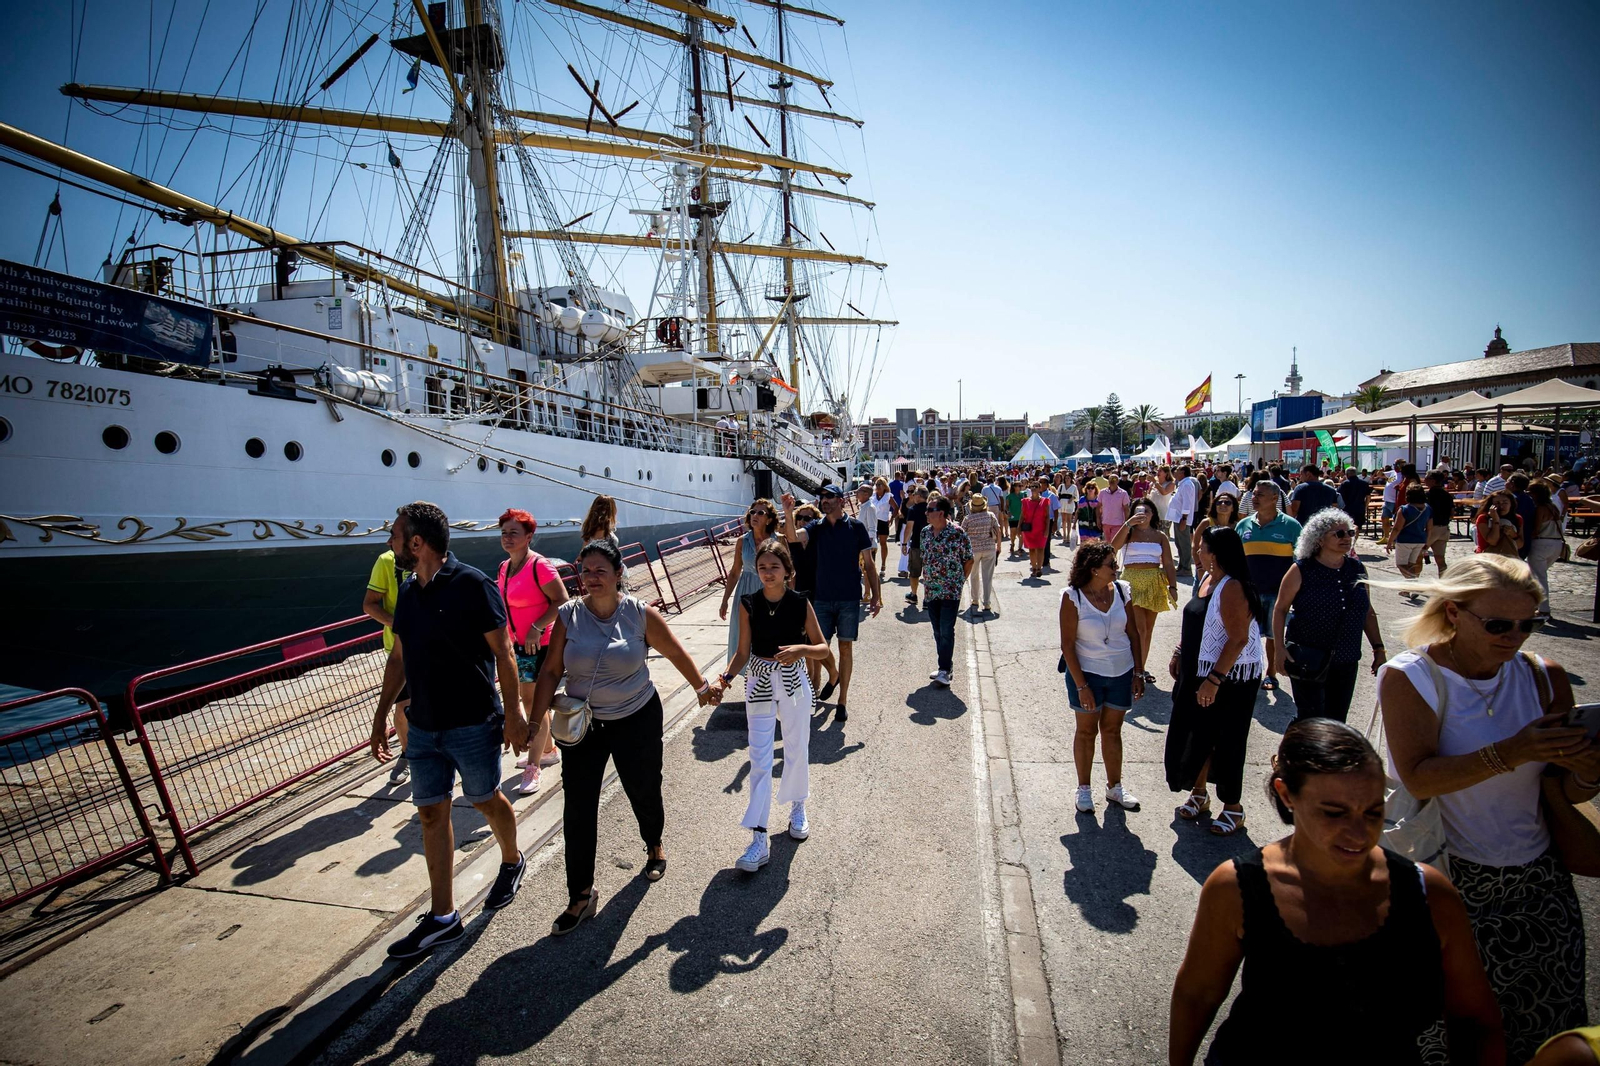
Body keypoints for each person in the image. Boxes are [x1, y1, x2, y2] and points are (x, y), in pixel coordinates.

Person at [1169, 719, 1506, 1066]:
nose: (1359, 833)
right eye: (1334, 812)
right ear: (1287, 795)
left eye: (1374, 812)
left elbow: (1475, 1021)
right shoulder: (1236, 887)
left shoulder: (1429, 893)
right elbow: (1198, 994)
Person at [1377, 554, 1600, 1061]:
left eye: (1528, 624)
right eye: (1498, 624)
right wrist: (1514, 751)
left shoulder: (1545, 677)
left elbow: (1563, 790)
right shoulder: (1411, 677)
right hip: (1449, 880)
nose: (1515, 636)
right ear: (1454, 612)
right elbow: (1418, 775)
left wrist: (1587, 769)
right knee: (1449, 1036)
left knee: (1545, 1030)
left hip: (1539, 883)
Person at [532, 539, 719, 935]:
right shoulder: (568, 616)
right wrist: (533, 723)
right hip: (583, 727)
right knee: (578, 808)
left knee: (644, 788)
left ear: (619, 575)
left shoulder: (639, 613)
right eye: (585, 571)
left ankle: (653, 843)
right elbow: (549, 671)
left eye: (601, 570)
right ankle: (580, 895)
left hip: (636, 717)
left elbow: (675, 651)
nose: (591, 578)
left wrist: (702, 688)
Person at [369, 502, 530, 958]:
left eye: (395, 535)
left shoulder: (473, 585)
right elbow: (398, 658)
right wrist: (382, 715)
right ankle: (444, 918)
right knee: (430, 813)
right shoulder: (408, 591)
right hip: (422, 727)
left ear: (416, 543)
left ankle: (512, 860)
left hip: (472, 721)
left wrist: (515, 715)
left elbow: (505, 653)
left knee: (483, 800)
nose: (389, 542)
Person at [713, 539, 830, 872]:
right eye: (762, 567)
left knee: (796, 748)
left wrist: (800, 651)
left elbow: (822, 648)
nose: (767, 573)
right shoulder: (748, 603)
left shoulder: (800, 603)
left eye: (773, 567)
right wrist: (724, 680)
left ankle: (798, 806)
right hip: (760, 678)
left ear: (787, 570)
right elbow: (741, 652)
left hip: (794, 679)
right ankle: (759, 837)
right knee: (759, 756)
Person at [1165, 527, 1266, 837]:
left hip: (1229, 679)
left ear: (1218, 553)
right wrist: (1180, 652)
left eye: (1203, 548)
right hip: (1198, 672)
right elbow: (1197, 620)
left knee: (1229, 741)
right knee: (1197, 736)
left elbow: (1237, 640)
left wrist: (1214, 679)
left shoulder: (1233, 586)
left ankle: (1233, 808)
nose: (1198, 552)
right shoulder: (1209, 580)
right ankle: (1199, 792)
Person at [1271, 509, 1385, 722]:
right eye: (1339, 534)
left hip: (1347, 657)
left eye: (1350, 533)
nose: (1347, 538)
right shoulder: (1301, 569)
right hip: (1308, 656)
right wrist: (1279, 649)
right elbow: (1280, 609)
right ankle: (1296, 754)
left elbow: (1367, 611)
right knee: (1310, 718)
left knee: (1336, 720)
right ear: (1320, 539)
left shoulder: (1357, 568)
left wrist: (1378, 648)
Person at [1060, 543, 1146, 814]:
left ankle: (1115, 786)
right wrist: (1082, 686)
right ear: (1094, 569)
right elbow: (1067, 646)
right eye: (1111, 564)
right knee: (1086, 731)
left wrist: (1138, 672)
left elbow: (1134, 634)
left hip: (1121, 673)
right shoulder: (1072, 596)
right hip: (1087, 676)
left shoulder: (1122, 590)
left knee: (1113, 730)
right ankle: (1084, 789)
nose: (1116, 568)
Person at [782, 485, 880, 722]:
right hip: (822, 598)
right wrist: (787, 512)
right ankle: (831, 676)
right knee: (818, 648)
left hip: (848, 598)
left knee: (845, 648)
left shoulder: (856, 527)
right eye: (822, 497)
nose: (824, 500)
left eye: (829, 497)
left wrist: (876, 595)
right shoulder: (816, 527)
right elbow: (793, 537)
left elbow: (868, 563)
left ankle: (842, 701)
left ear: (841, 501)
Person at [497, 508, 569, 794]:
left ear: (529, 536)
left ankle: (534, 767)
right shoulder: (505, 567)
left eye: (514, 533)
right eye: (504, 532)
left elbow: (561, 601)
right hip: (518, 645)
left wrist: (537, 627)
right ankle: (548, 749)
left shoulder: (539, 566)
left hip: (539, 645)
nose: (507, 538)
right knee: (531, 700)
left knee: (533, 702)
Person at [1235, 482, 1301, 695]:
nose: (1254, 498)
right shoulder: (1243, 525)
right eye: (1253, 494)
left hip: (1278, 593)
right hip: (1248, 592)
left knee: (1273, 637)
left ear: (1274, 498)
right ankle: (1247, 672)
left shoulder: (1291, 526)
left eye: (1260, 495)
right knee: (1245, 636)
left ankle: (1270, 673)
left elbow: (1302, 561)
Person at [1108, 498, 1178, 679]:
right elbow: (1112, 548)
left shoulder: (1160, 536)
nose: (1143, 514)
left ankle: (1141, 668)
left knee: (1148, 629)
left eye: (1147, 511)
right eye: (1139, 511)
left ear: (1153, 514)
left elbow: (1169, 563)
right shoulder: (1129, 534)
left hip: (1154, 582)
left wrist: (1173, 586)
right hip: (1131, 582)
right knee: (1138, 629)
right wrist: (1127, 524)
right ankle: (1134, 669)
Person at [364, 545, 413, 786]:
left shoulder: (432, 557)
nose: (391, 539)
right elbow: (370, 604)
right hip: (399, 649)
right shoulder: (386, 561)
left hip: (433, 648)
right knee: (404, 707)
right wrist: (398, 624)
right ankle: (408, 755)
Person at [920, 497, 973, 687]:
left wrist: (959, 581)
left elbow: (969, 559)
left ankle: (945, 670)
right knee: (937, 630)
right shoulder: (925, 533)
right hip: (931, 590)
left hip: (951, 590)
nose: (926, 512)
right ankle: (944, 666)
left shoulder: (957, 533)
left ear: (941, 512)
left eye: (929, 509)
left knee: (946, 629)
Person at [720, 498, 779, 663]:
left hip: (770, 591)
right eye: (752, 512)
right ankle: (750, 677)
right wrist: (725, 600)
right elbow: (734, 573)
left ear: (769, 519)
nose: (755, 515)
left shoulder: (778, 539)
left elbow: (789, 571)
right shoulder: (742, 541)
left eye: (760, 513)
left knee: (769, 633)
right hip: (745, 591)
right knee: (744, 635)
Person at [1526, 481, 1564, 618]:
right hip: (1556, 543)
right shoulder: (1553, 506)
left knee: (1539, 577)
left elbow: (1536, 530)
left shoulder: (1541, 508)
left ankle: (1543, 608)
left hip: (1542, 543)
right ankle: (1538, 604)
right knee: (1540, 575)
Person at [962, 493, 1001, 615]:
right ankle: (987, 602)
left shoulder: (968, 519)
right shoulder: (990, 516)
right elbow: (998, 530)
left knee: (974, 575)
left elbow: (962, 534)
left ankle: (974, 600)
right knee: (987, 577)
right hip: (989, 548)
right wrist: (998, 546)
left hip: (973, 550)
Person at [1388, 485, 1432, 581]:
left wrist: (1389, 541)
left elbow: (1396, 528)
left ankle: (1413, 582)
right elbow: (1430, 528)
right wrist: (1427, 543)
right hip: (1420, 540)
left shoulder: (1404, 509)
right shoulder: (1428, 509)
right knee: (1411, 565)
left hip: (1405, 540)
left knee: (1401, 564)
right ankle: (1408, 589)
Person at [1189, 490, 1241, 562]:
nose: (1223, 504)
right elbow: (1195, 546)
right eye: (1219, 502)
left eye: (1227, 503)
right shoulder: (1206, 523)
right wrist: (1199, 567)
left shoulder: (1238, 526)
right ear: (1215, 507)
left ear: (1233, 508)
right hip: (1206, 566)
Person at [1170, 464, 1202, 577]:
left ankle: (1186, 567)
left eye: (1177, 470)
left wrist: (1184, 518)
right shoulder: (1182, 484)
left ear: (1183, 472)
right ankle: (1182, 565)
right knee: (1179, 543)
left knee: (1184, 543)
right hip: (1178, 518)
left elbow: (1187, 503)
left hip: (1182, 519)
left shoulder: (1187, 484)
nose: (1175, 472)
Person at [902, 485, 931, 608]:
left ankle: (913, 595)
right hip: (931, 545)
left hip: (917, 544)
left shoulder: (913, 510)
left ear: (919, 496)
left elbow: (909, 528)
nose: (913, 496)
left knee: (914, 572)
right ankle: (927, 598)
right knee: (928, 572)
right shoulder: (931, 508)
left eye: (914, 494)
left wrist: (904, 543)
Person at [1424, 471, 1457, 576]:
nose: (1424, 480)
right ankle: (1444, 582)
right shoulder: (1447, 495)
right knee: (1440, 559)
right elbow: (1452, 513)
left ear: (1433, 481)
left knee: (1416, 557)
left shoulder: (1427, 495)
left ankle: (1413, 584)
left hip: (1430, 529)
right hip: (1443, 529)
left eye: (1426, 478)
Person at [1474, 491, 1523, 558]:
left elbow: (1520, 545)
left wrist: (1513, 535)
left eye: (1505, 503)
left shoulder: (1517, 519)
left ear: (1511, 504)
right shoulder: (1483, 518)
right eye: (1497, 503)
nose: (1501, 506)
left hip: (1509, 557)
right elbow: (1493, 541)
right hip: (1487, 557)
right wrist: (1495, 520)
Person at [1019, 481, 1052, 579]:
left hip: (1041, 529)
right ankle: (1034, 568)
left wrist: (1047, 530)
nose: (1034, 488)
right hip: (1029, 529)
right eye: (1032, 486)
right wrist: (1018, 527)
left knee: (1041, 549)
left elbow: (1047, 517)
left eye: (1036, 487)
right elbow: (1022, 515)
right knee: (1032, 549)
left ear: (1039, 489)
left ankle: (1039, 568)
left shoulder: (1045, 501)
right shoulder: (1025, 501)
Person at [867, 477, 898, 575]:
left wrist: (892, 518)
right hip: (873, 521)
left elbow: (896, 508)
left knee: (883, 543)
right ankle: (872, 565)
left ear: (884, 486)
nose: (878, 487)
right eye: (876, 484)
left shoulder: (888, 496)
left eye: (880, 484)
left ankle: (883, 565)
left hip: (883, 521)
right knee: (872, 544)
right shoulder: (872, 496)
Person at [1337, 467, 1371, 540]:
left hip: (1347, 509)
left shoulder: (1344, 484)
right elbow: (1368, 497)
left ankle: (1348, 543)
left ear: (1347, 474)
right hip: (1360, 508)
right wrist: (1365, 506)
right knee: (1357, 527)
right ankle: (1354, 543)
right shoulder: (1364, 483)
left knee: (1347, 527)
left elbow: (1339, 496)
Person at [1098, 476, 1132, 544]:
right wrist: (1098, 519)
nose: (1112, 482)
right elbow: (1099, 507)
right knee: (1107, 543)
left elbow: (1126, 509)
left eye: (1114, 480)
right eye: (1111, 480)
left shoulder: (1123, 493)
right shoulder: (1102, 492)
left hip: (1118, 523)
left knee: (1114, 543)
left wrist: (1126, 523)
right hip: (1106, 522)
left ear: (1117, 481)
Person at [1006, 478, 1025, 554]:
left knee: (1021, 533)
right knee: (1013, 532)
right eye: (1018, 486)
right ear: (1014, 487)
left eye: (1021, 485)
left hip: (1022, 516)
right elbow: (1007, 506)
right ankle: (1012, 543)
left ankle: (1020, 547)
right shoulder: (1009, 496)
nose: (1020, 487)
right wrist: (1008, 512)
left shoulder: (1024, 494)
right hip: (1013, 517)